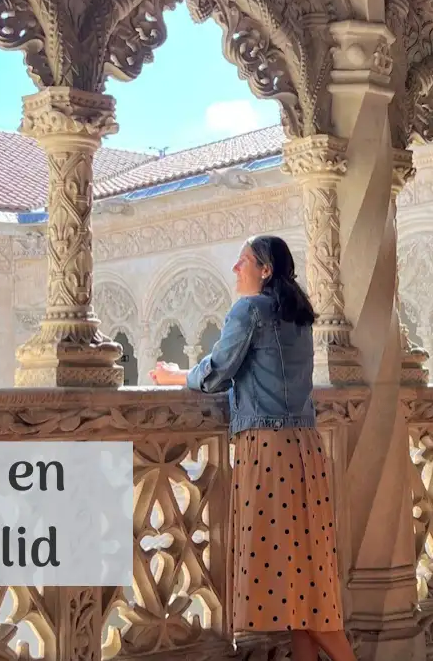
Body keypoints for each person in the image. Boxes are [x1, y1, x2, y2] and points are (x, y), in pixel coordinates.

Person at [150, 235, 356, 661]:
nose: (234, 269)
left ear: (265, 270)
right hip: (304, 449)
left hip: (269, 451)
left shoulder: (251, 310)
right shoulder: (297, 317)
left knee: (304, 589)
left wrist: (173, 376)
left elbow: (217, 372)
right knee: (307, 578)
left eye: (242, 261)